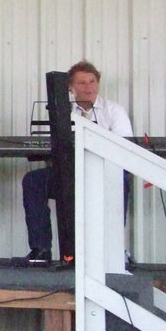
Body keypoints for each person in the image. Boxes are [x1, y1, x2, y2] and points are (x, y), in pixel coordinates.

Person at [22, 60, 132, 265]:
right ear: (70, 88)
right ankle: (40, 248)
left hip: (103, 174)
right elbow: (49, 147)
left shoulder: (113, 110)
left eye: (92, 81)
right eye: (82, 83)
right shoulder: (60, 113)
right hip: (69, 175)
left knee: (122, 179)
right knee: (33, 180)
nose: (88, 87)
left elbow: (123, 148)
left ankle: (114, 249)